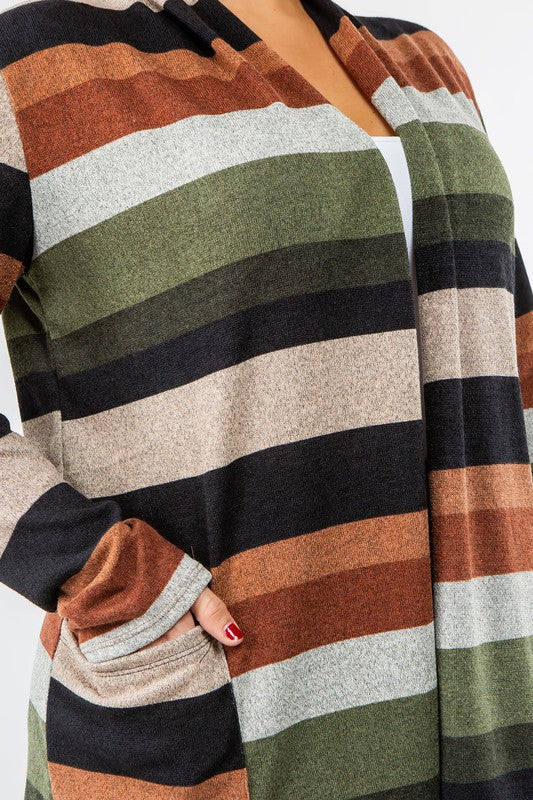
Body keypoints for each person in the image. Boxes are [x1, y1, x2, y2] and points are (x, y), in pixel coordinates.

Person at [0, 0, 531, 798]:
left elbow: (509, 351)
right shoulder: (36, 68)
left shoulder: (425, 62)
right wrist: (103, 571)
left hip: (485, 689)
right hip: (232, 698)